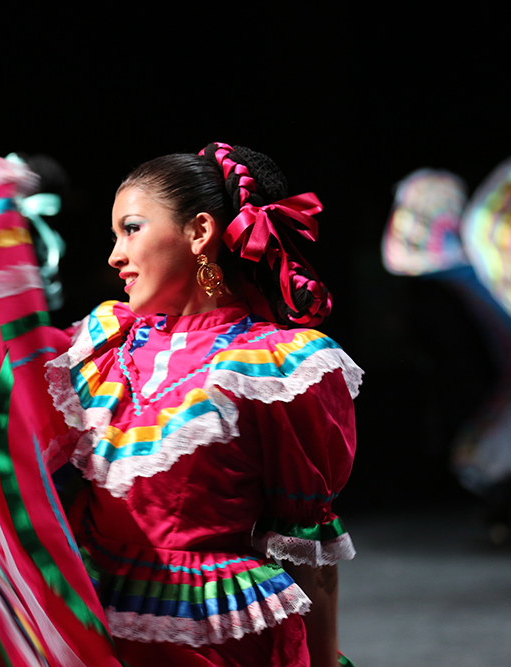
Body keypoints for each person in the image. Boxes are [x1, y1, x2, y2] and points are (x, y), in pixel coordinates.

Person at [45, 143, 362, 666]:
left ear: (198, 232)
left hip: (212, 641)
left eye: (131, 229)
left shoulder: (273, 367)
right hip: (96, 629)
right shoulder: (103, 343)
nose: (114, 255)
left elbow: (307, 540)